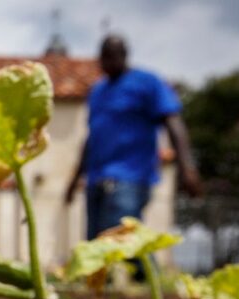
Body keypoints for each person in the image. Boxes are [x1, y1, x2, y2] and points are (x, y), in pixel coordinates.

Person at [65, 34, 201, 241]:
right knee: (95, 244)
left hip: (131, 176)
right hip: (96, 178)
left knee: (123, 236)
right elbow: (92, 137)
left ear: (124, 55)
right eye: (103, 57)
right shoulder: (98, 91)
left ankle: (147, 274)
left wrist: (187, 169)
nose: (107, 62)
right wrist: (74, 182)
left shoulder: (147, 83)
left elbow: (173, 124)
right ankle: (111, 275)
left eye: (112, 56)